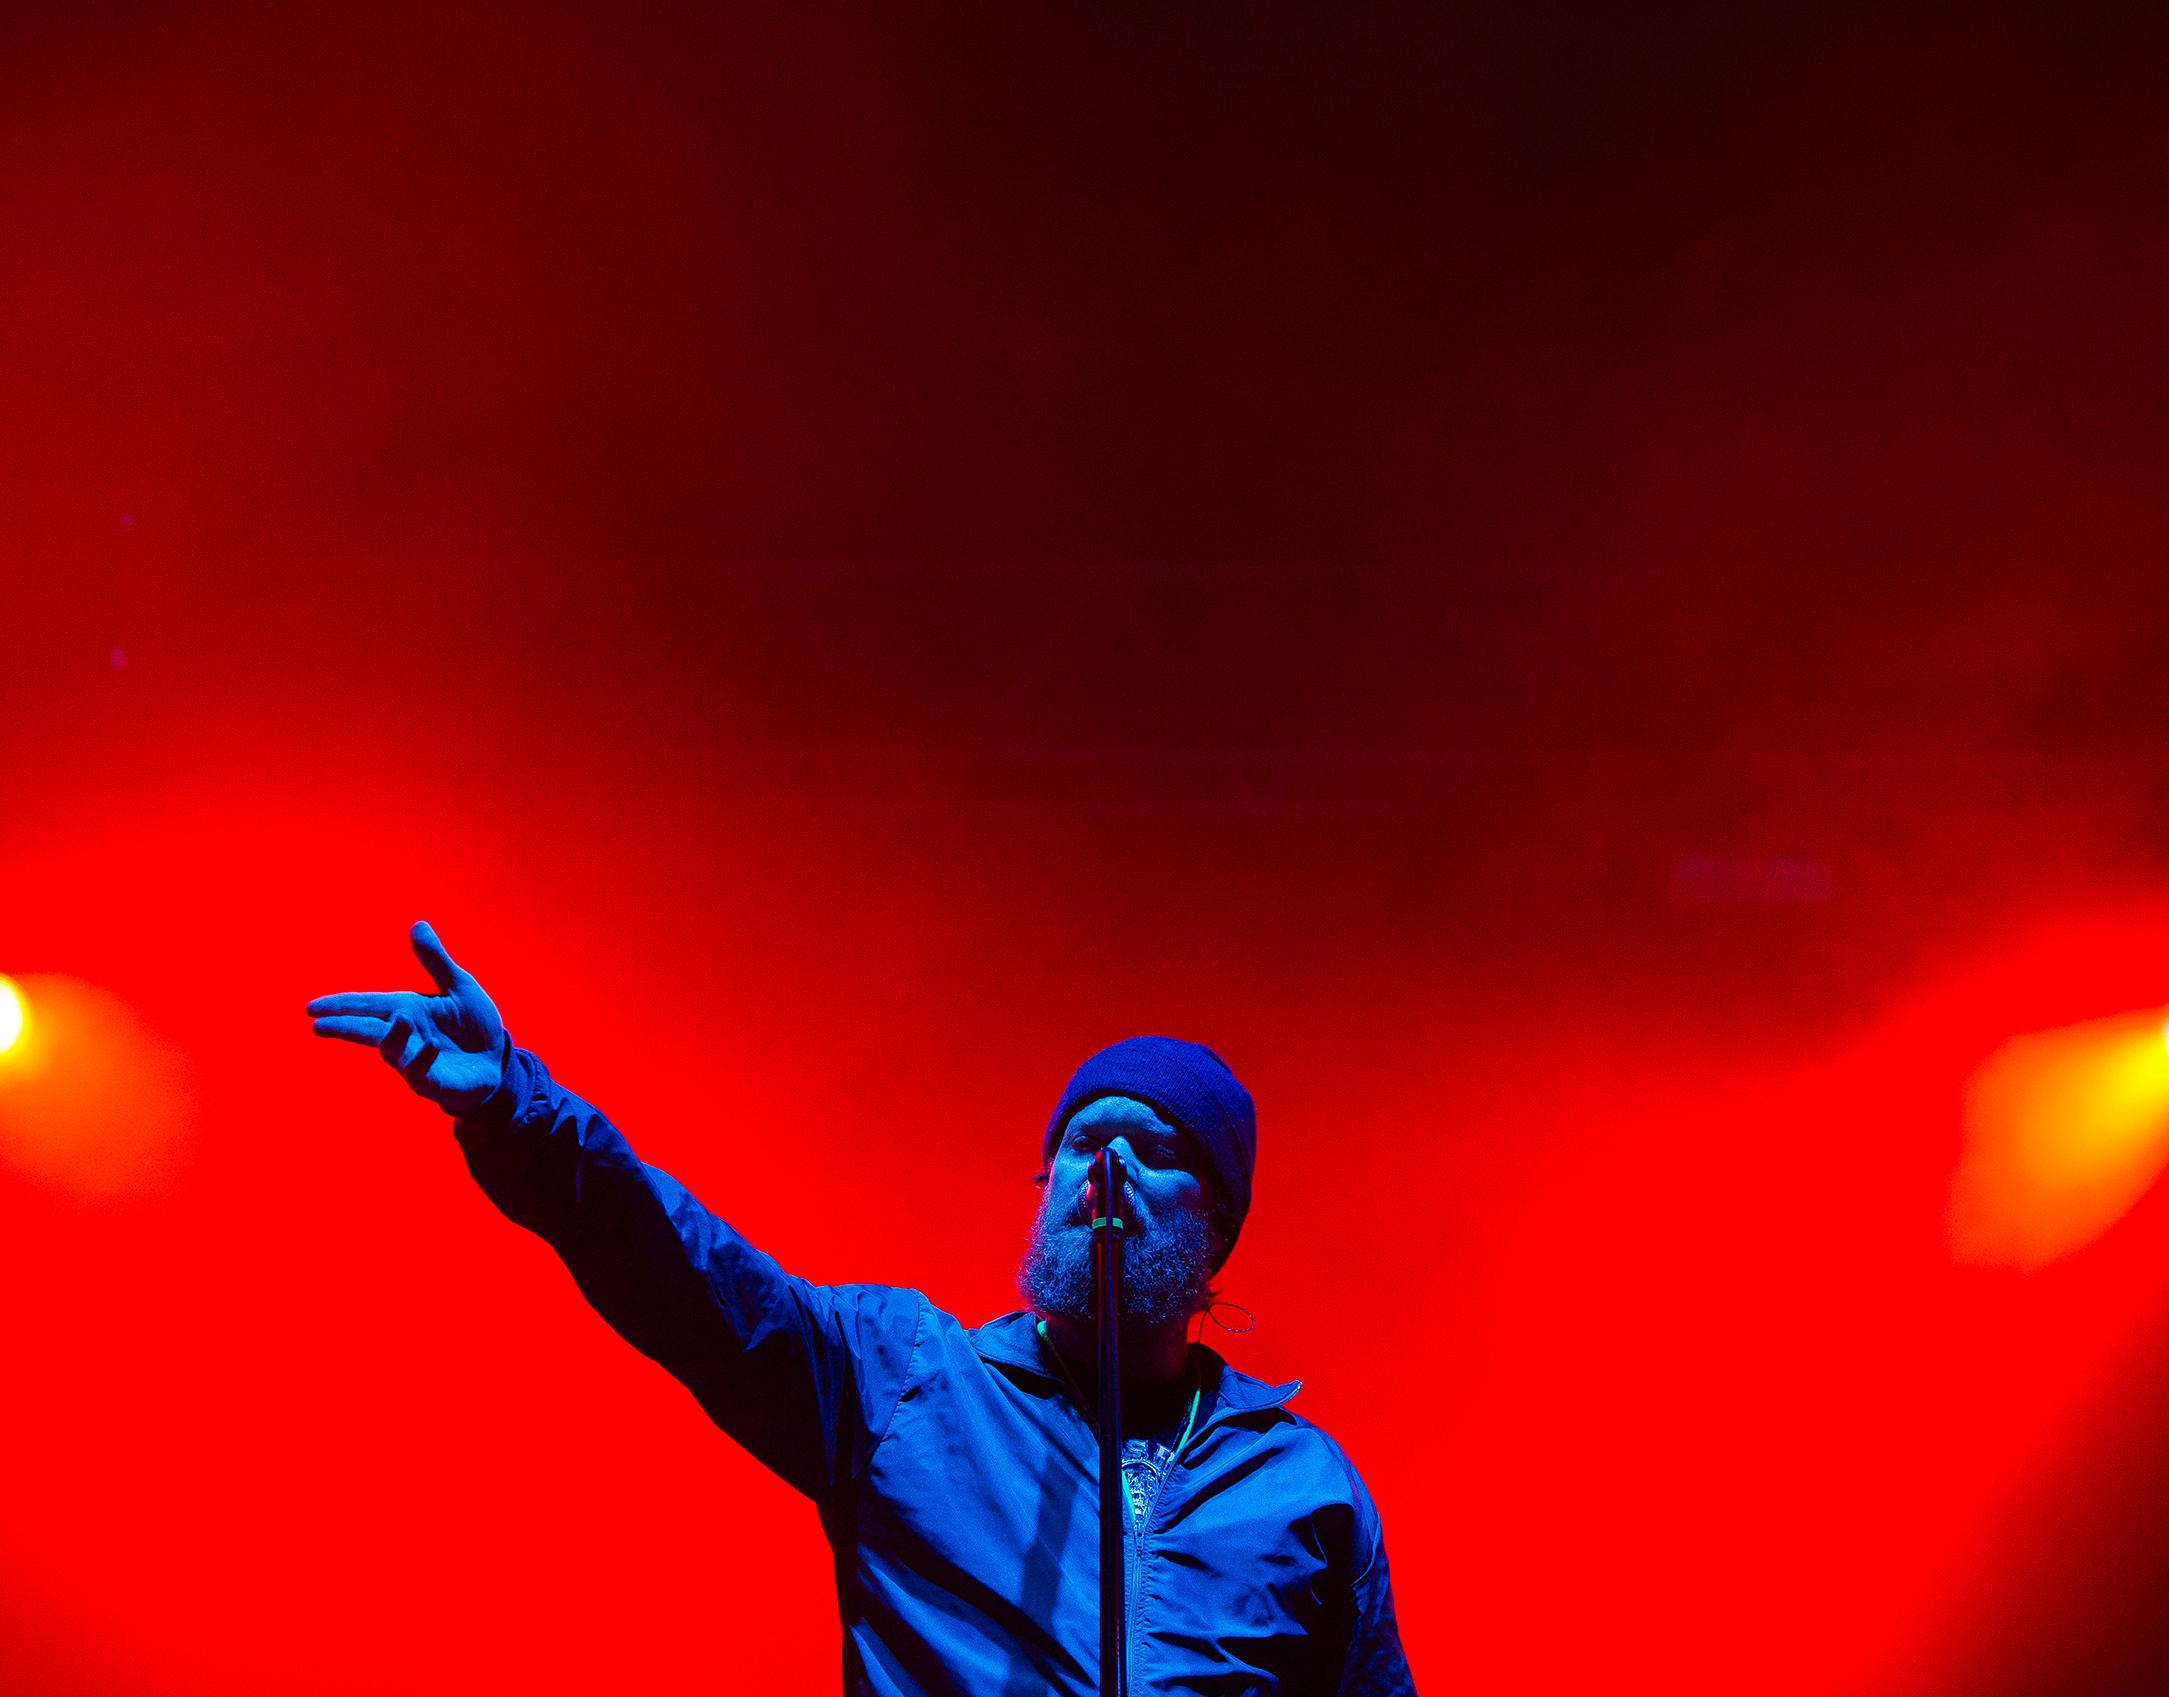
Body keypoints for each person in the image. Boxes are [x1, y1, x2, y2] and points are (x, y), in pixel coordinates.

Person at [308, 921, 1415, 1695]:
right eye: (1085, 1142)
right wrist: (520, 1109)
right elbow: (686, 1275)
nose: (1108, 1172)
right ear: (1044, 1191)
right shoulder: (906, 1380)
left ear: (1216, 1226)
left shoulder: (1301, 1484)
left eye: (1154, 1150)